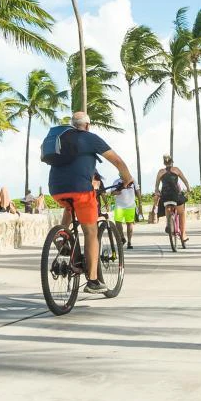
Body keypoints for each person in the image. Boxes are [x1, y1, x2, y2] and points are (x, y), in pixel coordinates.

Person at [46, 110, 133, 295]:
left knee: (70, 207)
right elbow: (117, 161)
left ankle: (63, 237)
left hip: (56, 189)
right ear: (87, 125)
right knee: (91, 231)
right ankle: (93, 280)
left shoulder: (61, 139)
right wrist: (127, 179)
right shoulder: (90, 138)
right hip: (80, 190)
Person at [154, 156, 190, 248]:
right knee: (181, 213)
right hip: (175, 195)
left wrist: (157, 192)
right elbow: (185, 181)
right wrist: (188, 189)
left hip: (165, 195)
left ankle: (168, 223)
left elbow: (156, 187)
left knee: (166, 205)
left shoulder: (160, 172)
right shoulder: (176, 169)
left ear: (164, 163)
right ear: (172, 162)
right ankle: (183, 235)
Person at [112, 181, 139, 248]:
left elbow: (138, 192)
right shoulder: (116, 182)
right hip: (119, 205)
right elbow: (112, 193)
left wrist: (140, 204)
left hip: (130, 205)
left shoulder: (133, 181)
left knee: (129, 223)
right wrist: (117, 192)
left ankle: (129, 242)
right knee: (117, 222)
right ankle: (122, 237)